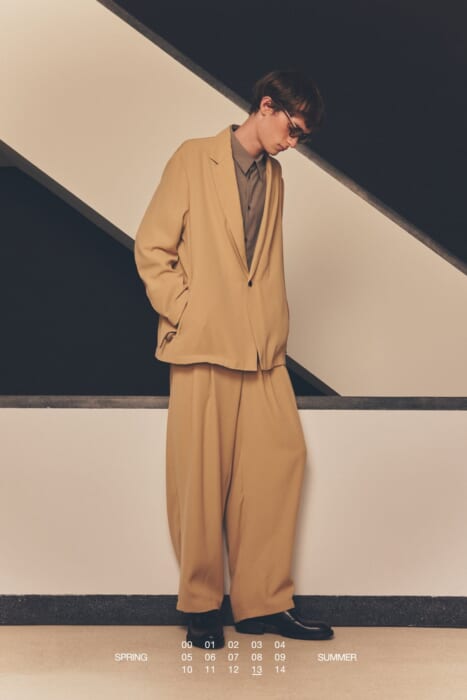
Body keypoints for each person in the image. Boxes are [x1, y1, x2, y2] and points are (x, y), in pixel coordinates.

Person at [134, 69, 334, 648]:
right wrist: (188, 310)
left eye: (302, 137)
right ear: (265, 106)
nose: (293, 144)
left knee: (278, 465)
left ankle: (263, 603)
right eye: (292, 129)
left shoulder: (276, 178)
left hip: (262, 350)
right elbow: (152, 247)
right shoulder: (192, 158)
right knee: (200, 478)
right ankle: (201, 605)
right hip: (203, 345)